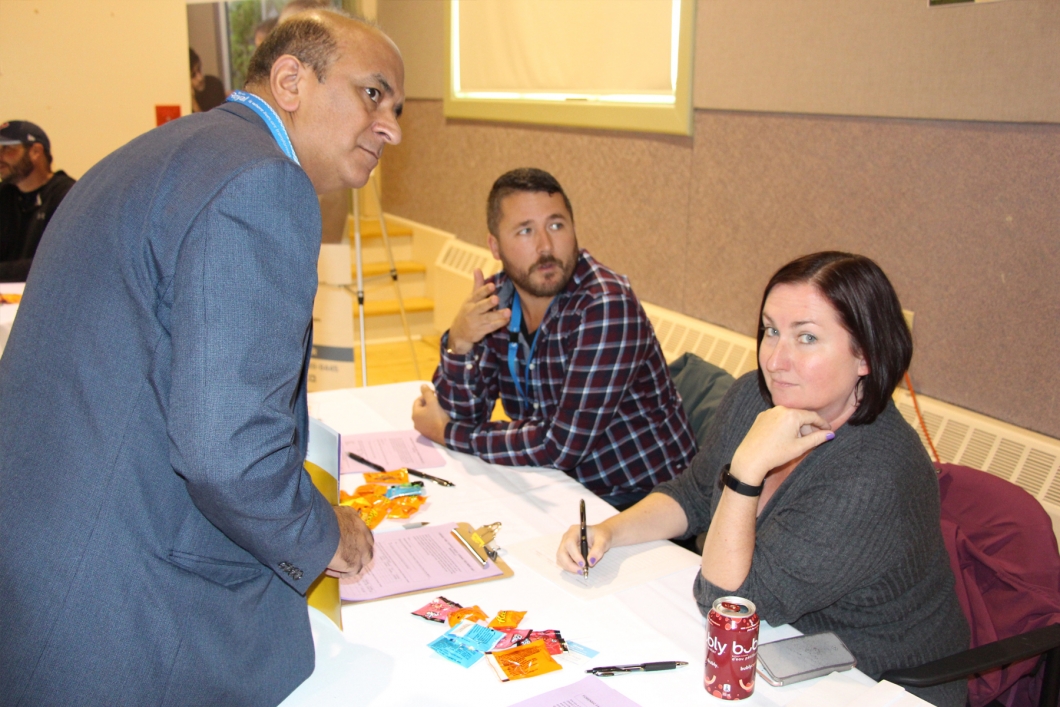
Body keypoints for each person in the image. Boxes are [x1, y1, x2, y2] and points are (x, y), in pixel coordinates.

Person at [0, 10, 403, 706]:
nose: (392, 126)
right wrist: (319, 530)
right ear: (289, 81)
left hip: (50, 551)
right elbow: (228, 451)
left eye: (397, 108)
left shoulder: (166, 150)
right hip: (123, 605)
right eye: (373, 94)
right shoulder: (261, 182)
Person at [557, 252, 970, 706]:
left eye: (807, 338)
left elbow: (727, 604)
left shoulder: (873, 476)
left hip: (877, 683)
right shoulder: (756, 397)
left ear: (866, 356)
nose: (776, 360)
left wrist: (747, 470)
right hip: (785, 647)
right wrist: (609, 532)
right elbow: (693, 495)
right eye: (771, 331)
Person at [412, 168, 697, 510]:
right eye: (525, 231)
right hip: (557, 486)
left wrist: (447, 433)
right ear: (495, 246)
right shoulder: (498, 298)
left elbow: (560, 445)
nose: (545, 246)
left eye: (556, 225)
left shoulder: (605, 306)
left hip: (641, 500)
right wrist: (459, 342)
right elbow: (460, 414)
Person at [0, 121, 75, 282]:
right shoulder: (5, 194)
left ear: (36, 151)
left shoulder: (67, 196)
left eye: (8, 149)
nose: (1, 157)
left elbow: (57, 263)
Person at [189, 48, 227, 112]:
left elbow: (214, 121)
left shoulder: (214, 85)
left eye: (199, 69)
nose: (200, 78)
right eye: (193, 75)